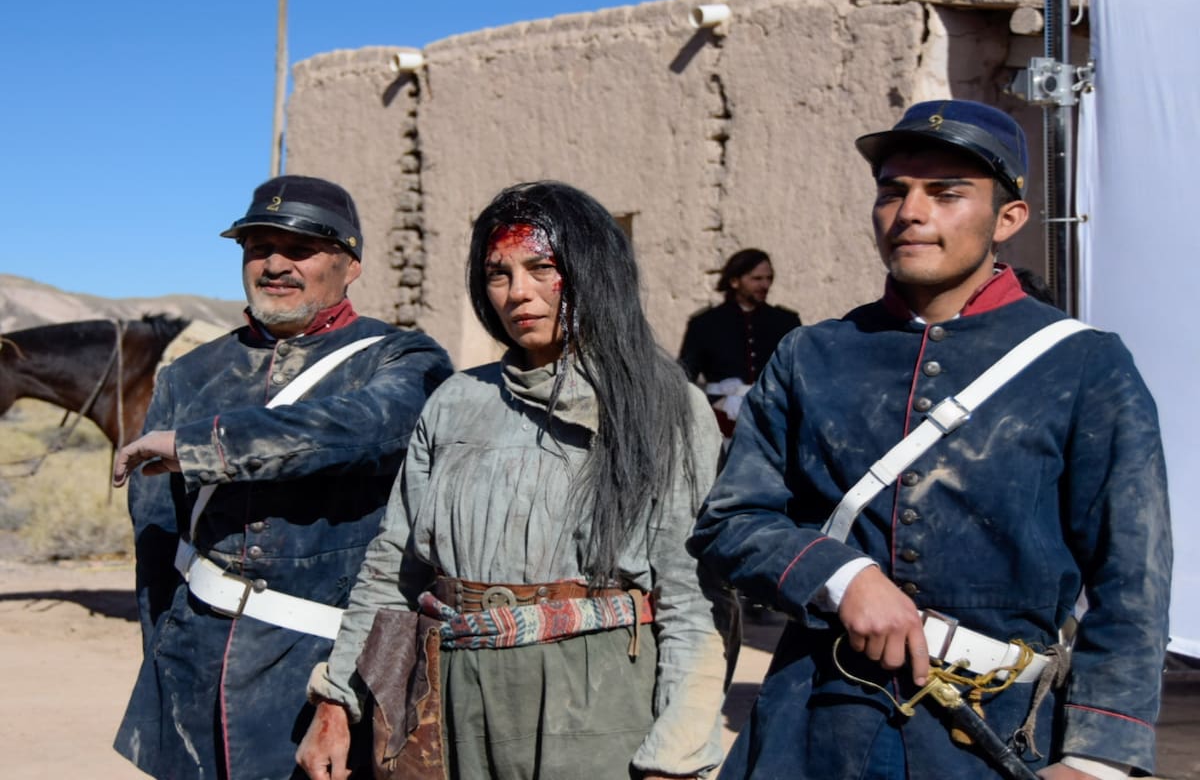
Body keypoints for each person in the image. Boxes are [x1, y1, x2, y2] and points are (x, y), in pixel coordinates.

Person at [688, 100, 1172, 779]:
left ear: (1008, 218)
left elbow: (1133, 574)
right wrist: (842, 575)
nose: (911, 212)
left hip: (995, 733)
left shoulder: (1084, 365)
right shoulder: (811, 354)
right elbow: (731, 522)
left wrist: (1100, 756)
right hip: (816, 722)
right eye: (894, 192)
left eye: (946, 194)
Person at [297, 180, 734, 780]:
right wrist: (336, 701)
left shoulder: (665, 407)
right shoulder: (455, 401)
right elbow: (391, 567)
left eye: (542, 267)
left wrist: (677, 757)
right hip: (449, 705)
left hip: (596, 707)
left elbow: (691, 600)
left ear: (592, 272)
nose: (518, 293)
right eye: (499, 274)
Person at [111, 175, 454, 779]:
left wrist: (201, 446)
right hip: (193, 660)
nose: (274, 264)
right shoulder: (189, 375)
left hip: (326, 666)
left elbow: (353, 429)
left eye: (299, 248)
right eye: (257, 247)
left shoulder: (404, 359)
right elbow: (156, 540)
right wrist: (162, 659)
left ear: (349, 264)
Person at [678, 249, 800, 436]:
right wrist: (712, 403)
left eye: (769, 278)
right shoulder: (705, 323)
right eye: (756, 279)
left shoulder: (785, 321)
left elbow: (798, 374)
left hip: (775, 420)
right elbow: (686, 377)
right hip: (721, 422)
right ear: (734, 281)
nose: (765, 285)